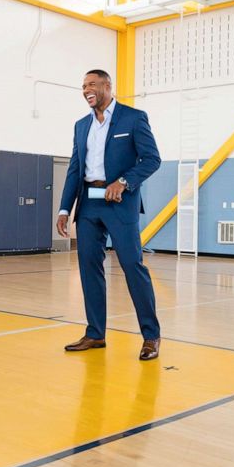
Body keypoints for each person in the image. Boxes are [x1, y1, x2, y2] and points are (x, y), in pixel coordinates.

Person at [57, 69, 162, 360]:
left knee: (132, 265)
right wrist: (65, 208)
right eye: (83, 86)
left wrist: (124, 182)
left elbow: (152, 159)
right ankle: (95, 334)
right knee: (89, 269)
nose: (86, 90)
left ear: (107, 86)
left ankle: (151, 336)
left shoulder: (133, 118)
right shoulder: (81, 125)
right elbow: (75, 169)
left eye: (91, 84)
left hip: (120, 202)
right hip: (88, 203)